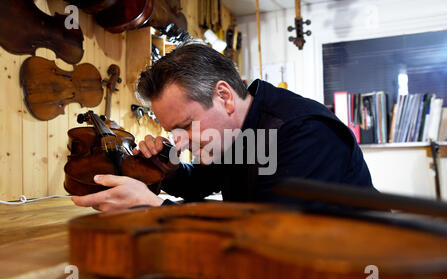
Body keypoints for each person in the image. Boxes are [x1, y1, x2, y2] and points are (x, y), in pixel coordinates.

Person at [72, 42, 374, 212]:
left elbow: (268, 243)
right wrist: (167, 166)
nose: (181, 142)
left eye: (186, 125)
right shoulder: (235, 135)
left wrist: (153, 207)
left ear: (224, 96)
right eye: (172, 132)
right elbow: (201, 182)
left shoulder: (303, 133)